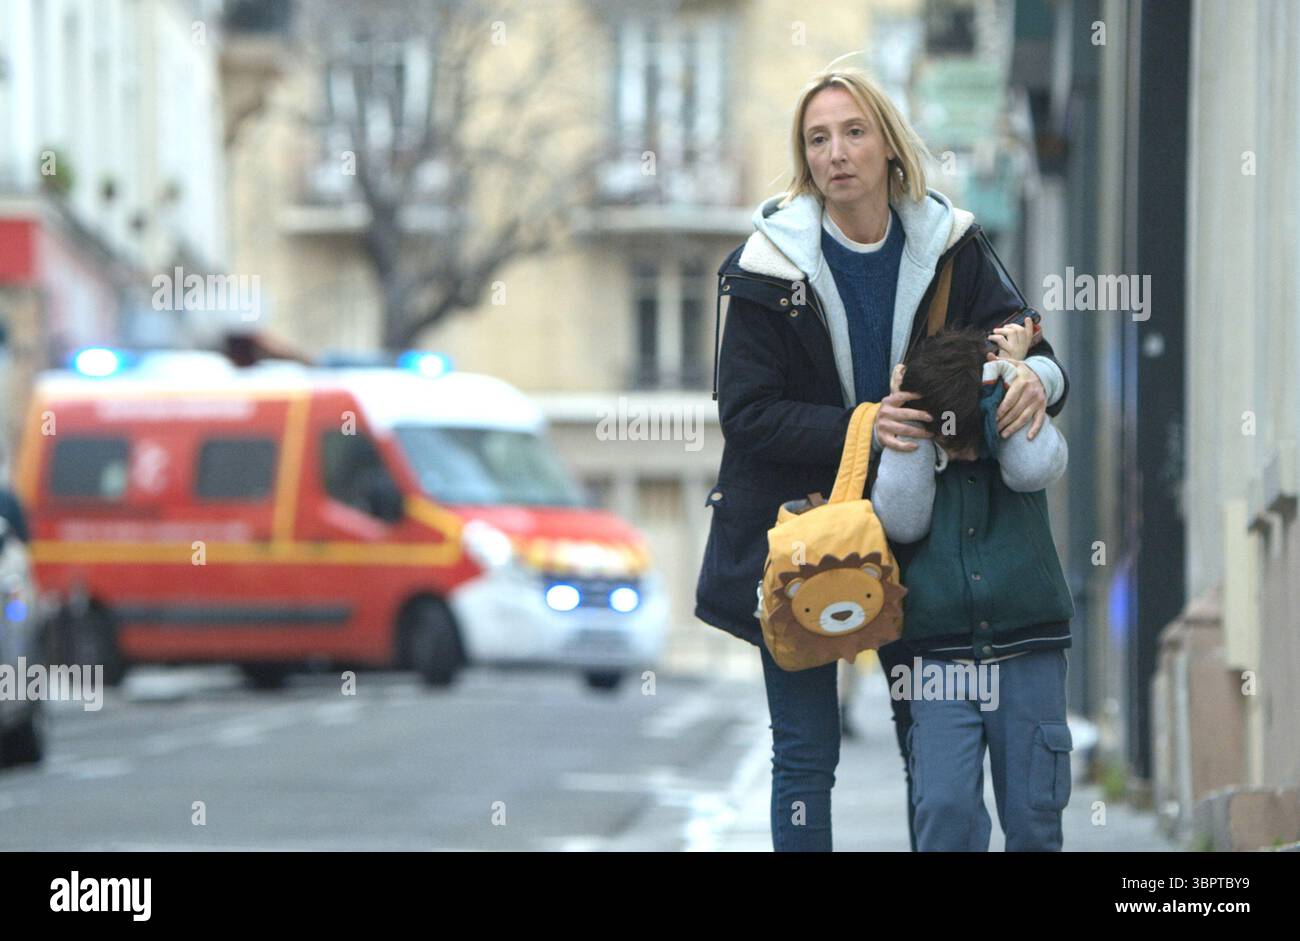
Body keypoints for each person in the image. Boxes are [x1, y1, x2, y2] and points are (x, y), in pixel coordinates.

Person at [694, 65, 1071, 852]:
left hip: (918, 538)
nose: (837, 153)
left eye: (854, 132)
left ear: (889, 149)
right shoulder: (768, 267)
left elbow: (1027, 337)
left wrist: (1036, 378)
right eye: (818, 138)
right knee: (805, 756)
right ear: (806, 159)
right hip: (802, 539)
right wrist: (864, 423)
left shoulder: (948, 245)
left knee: (925, 757)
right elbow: (747, 414)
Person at [870, 325, 1075, 851]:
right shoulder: (923, 439)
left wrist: (1008, 388)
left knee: (1034, 815)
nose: (961, 452)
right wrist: (914, 430)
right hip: (941, 657)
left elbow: (1034, 468)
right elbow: (903, 520)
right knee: (944, 808)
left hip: (1028, 648)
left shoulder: (1007, 431)